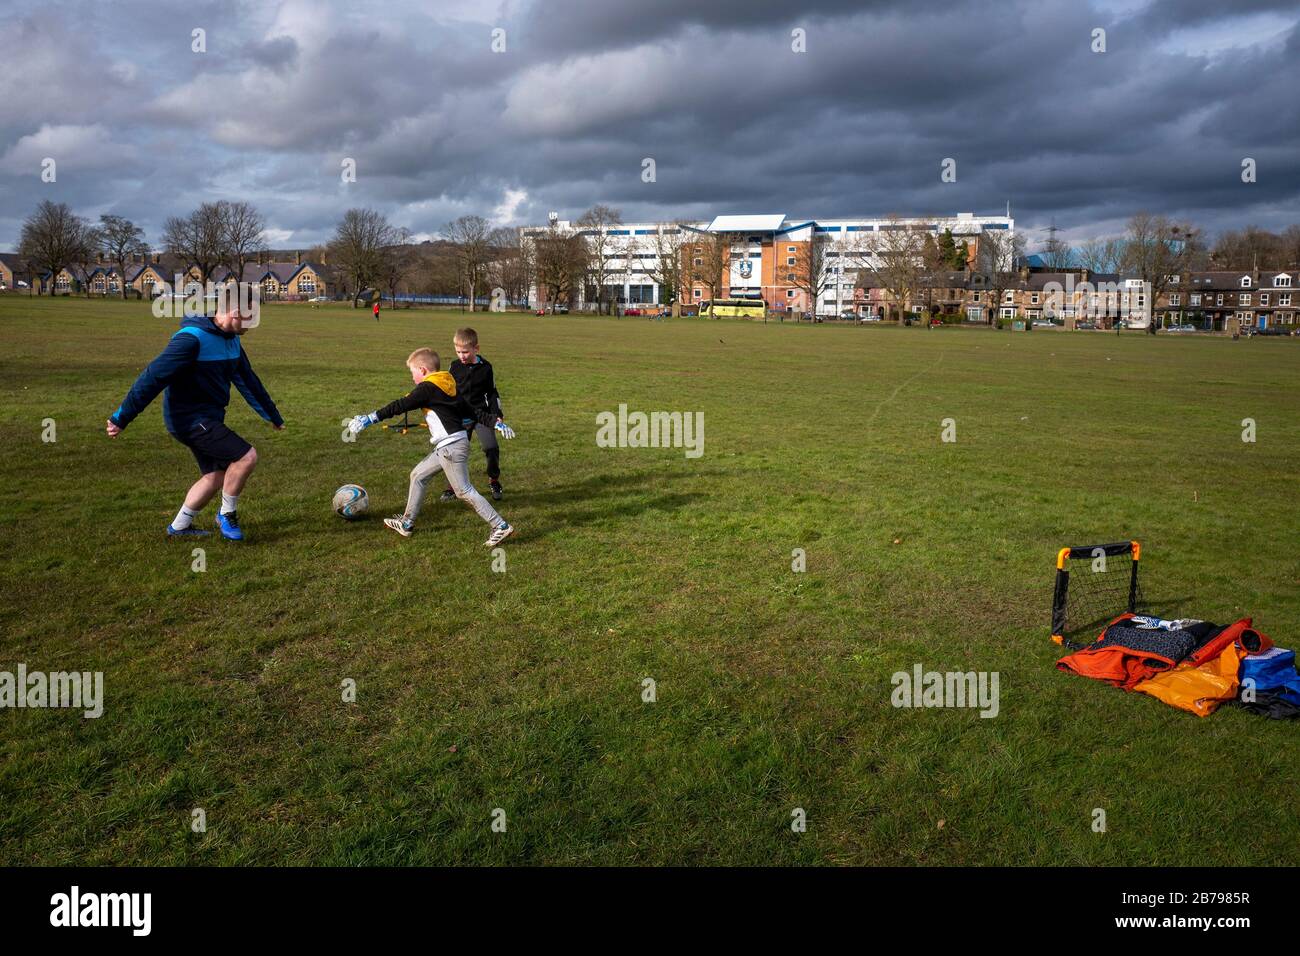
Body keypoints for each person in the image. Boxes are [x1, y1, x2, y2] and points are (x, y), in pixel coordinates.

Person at [105, 303, 283, 541]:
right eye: (253, 316)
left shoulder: (232, 341)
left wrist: (272, 415)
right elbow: (153, 377)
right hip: (188, 419)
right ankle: (227, 514)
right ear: (236, 312)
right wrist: (121, 417)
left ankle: (179, 526)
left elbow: (248, 380)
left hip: (209, 417)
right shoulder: (191, 339)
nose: (254, 323)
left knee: (216, 475)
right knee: (245, 457)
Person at [347, 348, 515, 546]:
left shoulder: (427, 388)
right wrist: (496, 422)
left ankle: (500, 526)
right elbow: (472, 411)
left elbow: (400, 405)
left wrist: (370, 418)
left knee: (463, 491)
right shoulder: (447, 384)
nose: (412, 378)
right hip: (451, 445)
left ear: (423, 370)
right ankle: (407, 523)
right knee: (418, 476)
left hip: (450, 447)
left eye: (413, 373)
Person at [438, 327, 515, 503]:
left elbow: (493, 393)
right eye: (458, 352)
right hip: (460, 417)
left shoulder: (486, 368)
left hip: (482, 416)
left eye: (465, 352)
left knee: (491, 448)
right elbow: (450, 391)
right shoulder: (454, 366)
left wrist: (496, 414)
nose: (462, 356)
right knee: (455, 452)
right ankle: (453, 486)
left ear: (476, 349)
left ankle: (494, 480)